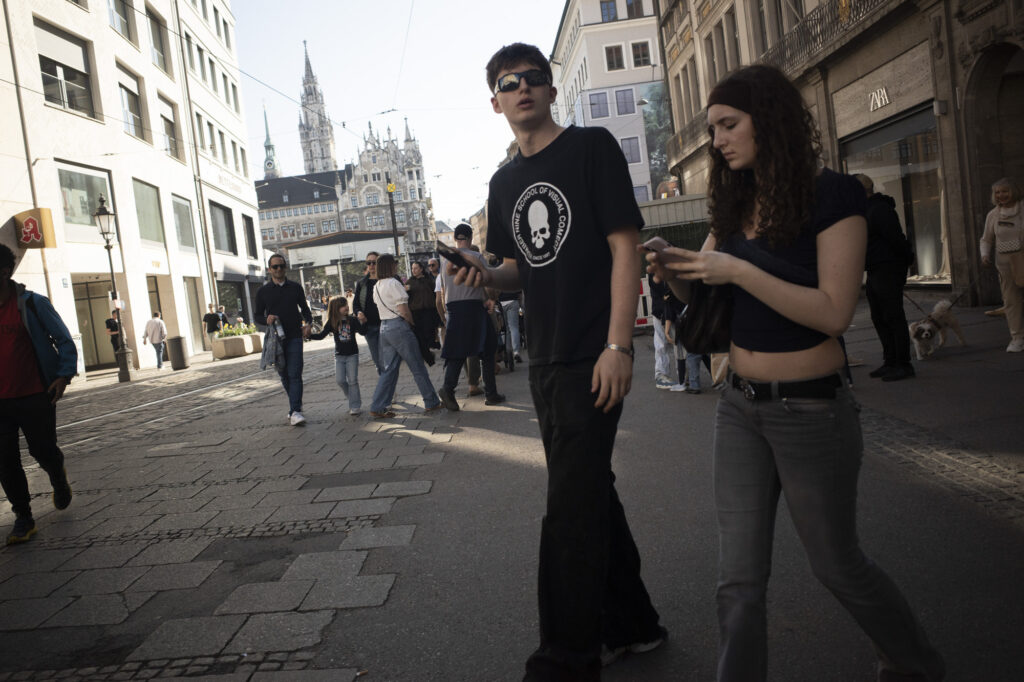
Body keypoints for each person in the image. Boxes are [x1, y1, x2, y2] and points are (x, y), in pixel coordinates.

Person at [646, 65, 944, 682]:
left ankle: (915, 664)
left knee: (837, 566)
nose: (717, 141)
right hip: (739, 406)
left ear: (769, 120)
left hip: (812, 410)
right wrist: (675, 271)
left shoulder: (833, 194)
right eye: (712, 129)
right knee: (737, 582)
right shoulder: (734, 203)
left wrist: (738, 270)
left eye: (728, 125)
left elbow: (834, 312)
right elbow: (707, 292)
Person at [456, 43, 666, 680]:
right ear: (495, 102)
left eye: (532, 79)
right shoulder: (502, 183)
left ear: (550, 90)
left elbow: (624, 248)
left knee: (569, 509)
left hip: (591, 352)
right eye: (508, 82)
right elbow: (521, 270)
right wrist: (485, 273)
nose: (521, 88)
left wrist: (618, 345)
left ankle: (566, 658)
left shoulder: (591, 148)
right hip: (545, 360)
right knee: (589, 488)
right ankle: (634, 625)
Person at [0, 243, 76, 544]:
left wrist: (63, 375)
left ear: (5, 272)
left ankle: (57, 476)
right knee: (5, 460)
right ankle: (23, 517)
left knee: (42, 450)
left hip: (35, 393)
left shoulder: (32, 304)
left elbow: (64, 339)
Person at [435, 223, 504, 412]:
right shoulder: (476, 257)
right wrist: (490, 299)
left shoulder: (444, 262)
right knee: (488, 348)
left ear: (455, 239)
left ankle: (450, 389)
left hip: (454, 308)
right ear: (471, 237)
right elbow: (488, 283)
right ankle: (489, 393)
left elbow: (443, 290)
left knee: (459, 350)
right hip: (473, 307)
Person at [855, 174, 915, 380]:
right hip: (875, 268)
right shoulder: (864, 210)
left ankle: (903, 364)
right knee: (879, 317)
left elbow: (896, 238)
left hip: (887, 268)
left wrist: (906, 259)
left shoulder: (879, 209)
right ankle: (890, 361)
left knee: (893, 316)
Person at [368, 254, 442, 418]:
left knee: (389, 369)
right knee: (417, 366)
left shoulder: (377, 285)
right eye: (394, 263)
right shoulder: (394, 283)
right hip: (398, 325)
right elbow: (403, 309)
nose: (396, 266)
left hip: (384, 327)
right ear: (389, 266)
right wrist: (411, 323)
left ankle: (378, 405)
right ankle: (431, 401)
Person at [254, 253, 313, 425]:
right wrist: (266, 319)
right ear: (269, 269)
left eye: (281, 266)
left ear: (285, 268)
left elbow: (305, 309)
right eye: (275, 267)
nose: (278, 269)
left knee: (295, 373)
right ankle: (295, 406)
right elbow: (257, 316)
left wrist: (308, 324)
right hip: (276, 340)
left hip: (295, 336)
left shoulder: (295, 287)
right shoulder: (263, 291)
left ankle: (295, 411)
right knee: (284, 375)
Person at [980, 177, 1024, 353]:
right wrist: (984, 255)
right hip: (1004, 264)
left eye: (1005, 191)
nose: (1001, 195)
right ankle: (1017, 337)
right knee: (1011, 300)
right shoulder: (993, 215)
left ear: (1013, 191)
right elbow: (986, 239)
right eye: (997, 192)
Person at [309, 295, 365, 415]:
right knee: (340, 380)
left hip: (352, 355)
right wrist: (308, 335)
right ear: (336, 308)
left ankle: (355, 405)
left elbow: (363, 332)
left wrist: (363, 321)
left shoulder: (352, 320)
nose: (346, 307)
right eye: (343, 306)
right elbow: (321, 335)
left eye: (346, 305)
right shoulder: (332, 322)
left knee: (353, 380)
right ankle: (353, 398)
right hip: (339, 356)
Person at [353, 252, 383, 374]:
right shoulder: (362, 283)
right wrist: (359, 312)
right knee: (378, 362)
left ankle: (386, 383)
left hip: (385, 325)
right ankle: (385, 382)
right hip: (369, 327)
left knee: (385, 360)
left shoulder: (386, 280)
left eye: (374, 262)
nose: (371, 265)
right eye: (368, 263)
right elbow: (355, 304)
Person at [405, 260, 437, 366]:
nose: (413, 270)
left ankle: (428, 353)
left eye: (416, 268)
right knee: (419, 335)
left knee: (428, 333)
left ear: (421, 269)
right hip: (416, 312)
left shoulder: (429, 280)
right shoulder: (410, 282)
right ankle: (427, 355)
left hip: (428, 311)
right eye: (412, 268)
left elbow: (435, 293)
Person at [648, 272, 675, 389]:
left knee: (664, 343)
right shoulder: (656, 271)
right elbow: (656, 283)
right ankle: (662, 375)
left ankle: (664, 374)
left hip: (665, 309)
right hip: (662, 310)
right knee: (662, 343)